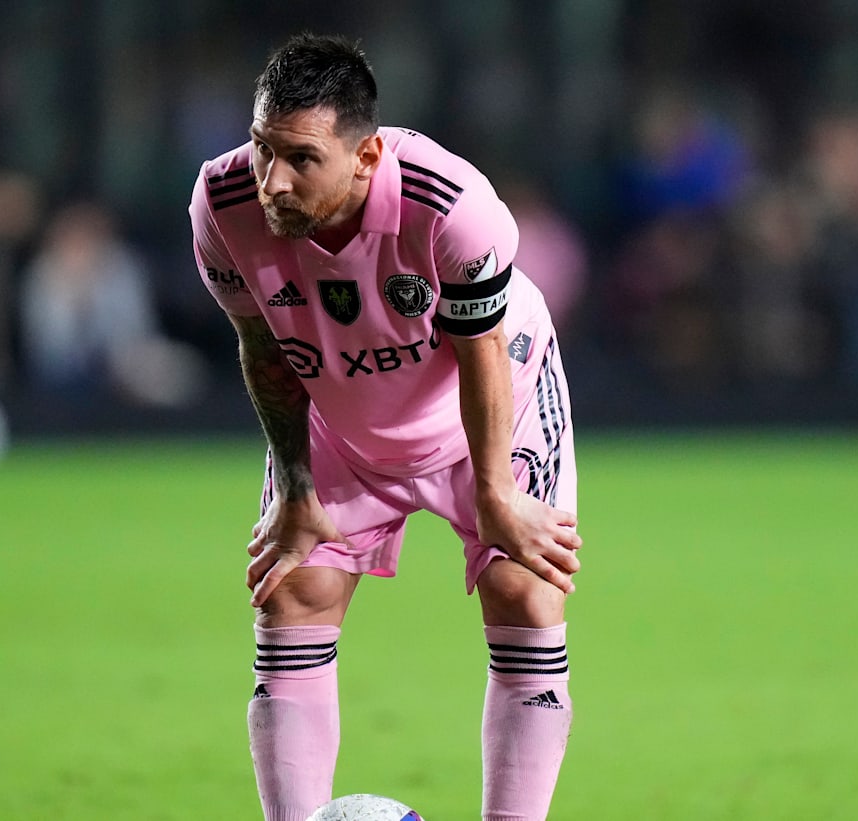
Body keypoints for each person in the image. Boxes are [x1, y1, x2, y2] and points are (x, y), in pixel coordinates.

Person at [189, 34, 582, 821]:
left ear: (366, 155)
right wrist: (295, 488)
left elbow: (481, 352)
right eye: (263, 148)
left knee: (523, 590)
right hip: (338, 407)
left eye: (302, 158)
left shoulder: (451, 206)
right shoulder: (222, 204)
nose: (272, 180)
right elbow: (264, 348)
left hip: (484, 403)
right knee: (293, 590)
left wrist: (497, 492)